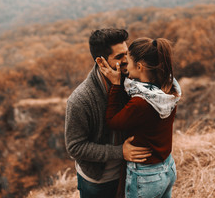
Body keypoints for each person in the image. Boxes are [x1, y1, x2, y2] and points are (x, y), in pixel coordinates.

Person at [65, 29, 152, 198]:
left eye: (127, 54)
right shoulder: (80, 99)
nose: (127, 61)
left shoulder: (131, 81)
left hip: (129, 172)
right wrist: (120, 152)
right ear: (101, 61)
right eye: (119, 57)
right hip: (98, 181)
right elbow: (75, 147)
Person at [98, 37, 181, 198]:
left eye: (128, 61)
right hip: (167, 167)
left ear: (140, 66)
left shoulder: (140, 103)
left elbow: (113, 122)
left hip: (146, 175)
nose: (125, 66)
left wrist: (115, 85)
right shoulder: (169, 88)